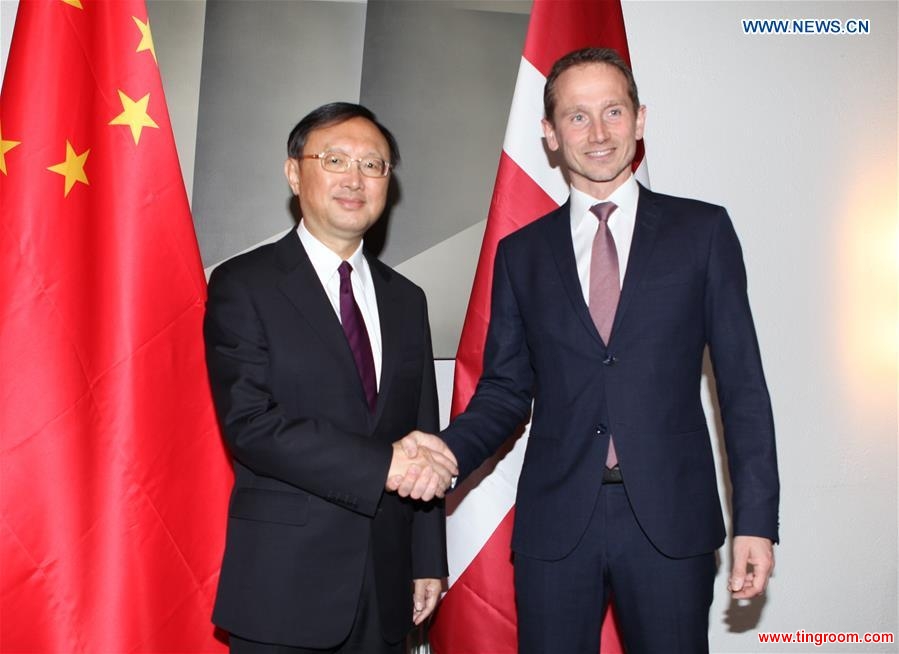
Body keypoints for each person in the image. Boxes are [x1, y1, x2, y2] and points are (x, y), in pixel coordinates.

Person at [400, 48, 779, 653]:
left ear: (640, 118)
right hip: (557, 524)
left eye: (613, 111)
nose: (598, 133)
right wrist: (446, 451)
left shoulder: (702, 233)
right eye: (577, 117)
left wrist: (756, 522)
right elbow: (503, 391)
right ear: (549, 134)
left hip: (672, 523)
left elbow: (742, 389)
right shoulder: (522, 254)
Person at [205, 102, 456, 654]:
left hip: (389, 585)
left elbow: (421, 430)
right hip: (284, 587)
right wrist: (383, 463)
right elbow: (250, 425)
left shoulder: (407, 300)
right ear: (294, 172)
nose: (354, 179)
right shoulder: (244, 284)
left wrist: (427, 559)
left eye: (373, 166)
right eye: (335, 159)